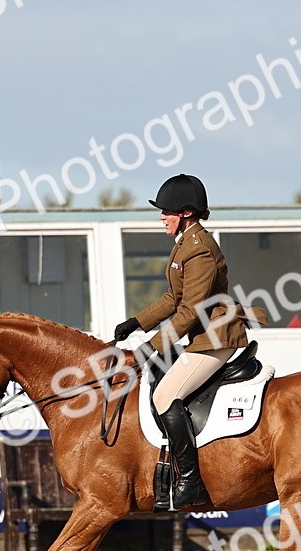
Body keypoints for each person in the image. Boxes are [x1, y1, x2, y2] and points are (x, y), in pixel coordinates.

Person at [112, 174, 262, 510]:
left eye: (165, 211)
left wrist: (152, 347)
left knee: (166, 395)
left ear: (185, 212)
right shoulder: (184, 244)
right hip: (202, 337)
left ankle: (190, 481)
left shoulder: (200, 250)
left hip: (217, 339)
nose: (160, 216)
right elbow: (172, 298)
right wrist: (136, 323)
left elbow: (190, 312)